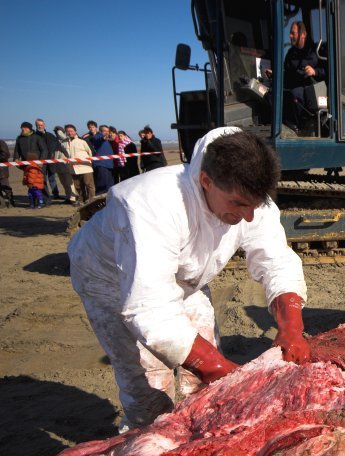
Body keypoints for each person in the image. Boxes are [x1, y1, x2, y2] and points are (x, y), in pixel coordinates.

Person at [67, 127, 309, 431]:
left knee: (203, 371)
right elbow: (150, 307)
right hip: (112, 280)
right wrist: (219, 368)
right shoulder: (151, 205)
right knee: (151, 386)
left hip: (185, 276)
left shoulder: (248, 198)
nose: (249, 216)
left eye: (255, 205)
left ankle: (201, 433)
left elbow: (276, 260)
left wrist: (292, 327)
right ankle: (147, 442)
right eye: (238, 204)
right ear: (206, 181)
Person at [265, 21, 326, 135]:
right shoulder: (290, 53)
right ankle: (279, 125)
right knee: (270, 93)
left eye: (293, 33)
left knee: (296, 93)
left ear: (303, 34)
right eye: (290, 33)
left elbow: (328, 72)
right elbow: (287, 72)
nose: (290, 36)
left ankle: (299, 127)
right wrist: (275, 74)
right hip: (292, 85)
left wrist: (315, 71)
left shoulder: (316, 51)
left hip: (310, 87)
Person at [64, 124, 95, 203]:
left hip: (85, 167)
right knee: (78, 186)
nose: (70, 133)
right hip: (73, 168)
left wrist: (90, 162)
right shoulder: (63, 143)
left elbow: (90, 152)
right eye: (68, 131)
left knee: (89, 185)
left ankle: (91, 201)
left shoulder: (82, 141)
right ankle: (82, 200)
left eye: (71, 131)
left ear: (75, 131)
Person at [34, 118, 61, 200]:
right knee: (42, 179)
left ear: (44, 125)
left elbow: (57, 146)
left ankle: (56, 194)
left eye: (41, 125)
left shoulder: (50, 135)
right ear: (36, 126)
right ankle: (46, 195)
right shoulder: (34, 136)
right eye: (38, 125)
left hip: (51, 160)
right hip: (40, 161)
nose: (40, 126)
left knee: (52, 178)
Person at [51, 126, 79, 204]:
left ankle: (73, 197)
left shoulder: (66, 140)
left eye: (58, 132)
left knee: (69, 182)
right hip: (58, 165)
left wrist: (60, 132)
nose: (57, 133)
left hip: (65, 165)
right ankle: (68, 197)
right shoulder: (56, 141)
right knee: (63, 182)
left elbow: (63, 137)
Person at [0, 139, 13, 207]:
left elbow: (6, 154)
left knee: (5, 186)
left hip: (2, 170)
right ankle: (2, 203)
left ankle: (11, 201)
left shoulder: (1, 142)